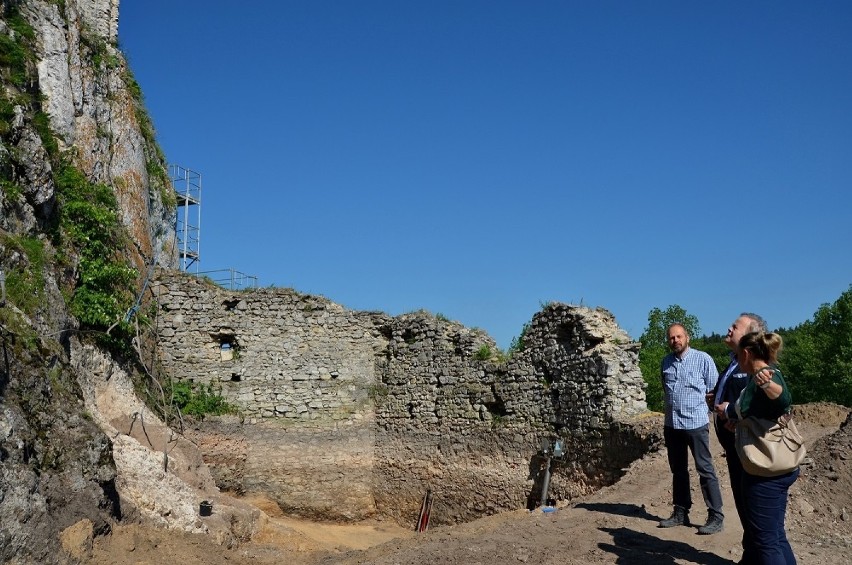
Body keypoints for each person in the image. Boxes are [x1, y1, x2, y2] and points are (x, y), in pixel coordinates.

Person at [716, 331, 798, 565]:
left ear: (746, 353)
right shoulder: (769, 374)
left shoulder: (763, 377)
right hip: (780, 468)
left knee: (766, 542)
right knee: (776, 536)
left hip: (765, 472)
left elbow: (781, 399)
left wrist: (726, 410)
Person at [709, 313, 768, 564]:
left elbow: (758, 405)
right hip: (735, 448)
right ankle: (751, 554)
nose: (729, 329)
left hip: (747, 449)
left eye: (735, 326)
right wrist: (717, 400)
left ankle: (757, 556)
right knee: (744, 504)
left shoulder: (757, 368)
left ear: (749, 336)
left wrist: (730, 412)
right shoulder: (735, 362)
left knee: (753, 508)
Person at [658, 323, 724, 534]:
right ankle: (680, 511)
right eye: (671, 338)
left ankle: (716, 515)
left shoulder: (703, 359)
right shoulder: (665, 362)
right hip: (672, 424)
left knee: (705, 468)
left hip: (696, 423)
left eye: (678, 336)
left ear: (687, 337)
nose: (675, 340)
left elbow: (714, 391)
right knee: (678, 470)